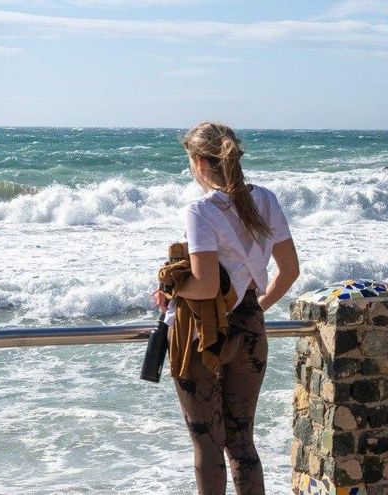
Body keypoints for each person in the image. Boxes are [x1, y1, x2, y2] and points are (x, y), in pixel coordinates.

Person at [153, 122, 299, 495]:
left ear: (201, 162)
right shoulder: (265, 199)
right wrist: (257, 307)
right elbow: (289, 270)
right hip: (250, 328)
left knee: (207, 442)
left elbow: (202, 284)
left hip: (205, 336)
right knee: (241, 440)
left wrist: (170, 287)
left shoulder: (200, 209)